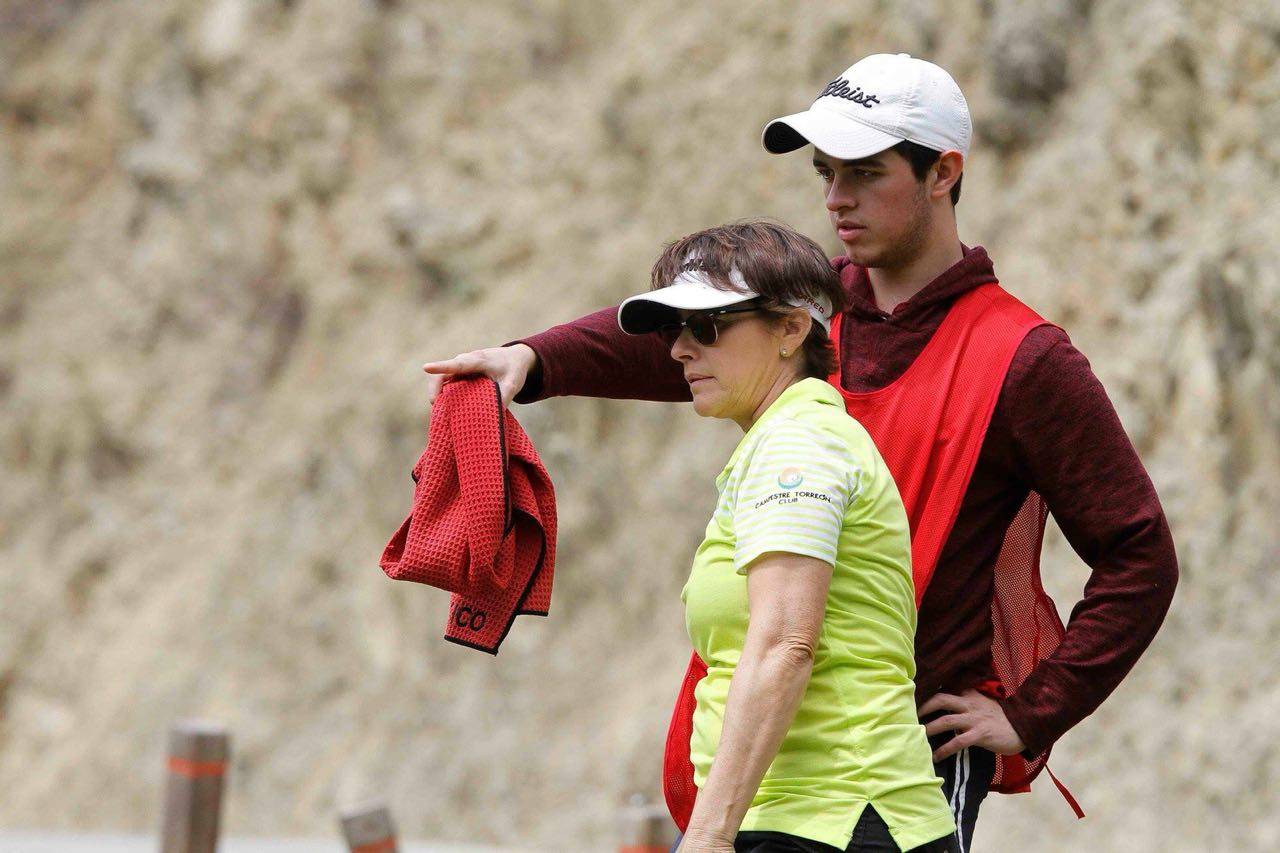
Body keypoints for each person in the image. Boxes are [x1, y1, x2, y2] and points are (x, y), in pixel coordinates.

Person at [422, 54, 1178, 852]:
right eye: (825, 172)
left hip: (895, 769)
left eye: (864, 172)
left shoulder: (1023, 358)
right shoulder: (807, 316)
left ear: (943, 173)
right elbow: (678, 337)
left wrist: (1030, 712)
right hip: (767, 751)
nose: (835, 197)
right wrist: (530, 359)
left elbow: (1139, 554)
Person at [621, 220, 958, 853]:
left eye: (706, 327)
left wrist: (708, 836)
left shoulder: (798, 445)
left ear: (791, 329)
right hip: (804, 817)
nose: (680, 350)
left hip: (830, 817)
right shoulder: (785, 439)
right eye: (673, 330)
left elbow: (784, 643)